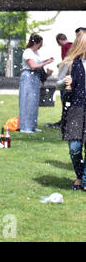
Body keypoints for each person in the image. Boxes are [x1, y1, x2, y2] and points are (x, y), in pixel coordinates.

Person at [56, 31, 86, 191]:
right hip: (76, 108)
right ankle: (80, 176)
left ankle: (85, 181)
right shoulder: (70, 63)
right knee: (74, 147)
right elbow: (58, 84)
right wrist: (65, 81)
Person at [18, 34, 54, 133]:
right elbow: (33, 66)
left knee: (34, 102)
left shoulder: (35, 52)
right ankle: (25, 127)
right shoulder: (27, 52)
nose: (41, 45)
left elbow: (38, 62)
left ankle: (32, 125)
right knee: (27, 101)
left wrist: (47, 60)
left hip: (35, 77)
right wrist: (46, 63)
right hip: (28, 77)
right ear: (35, 42)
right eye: (40, 43)